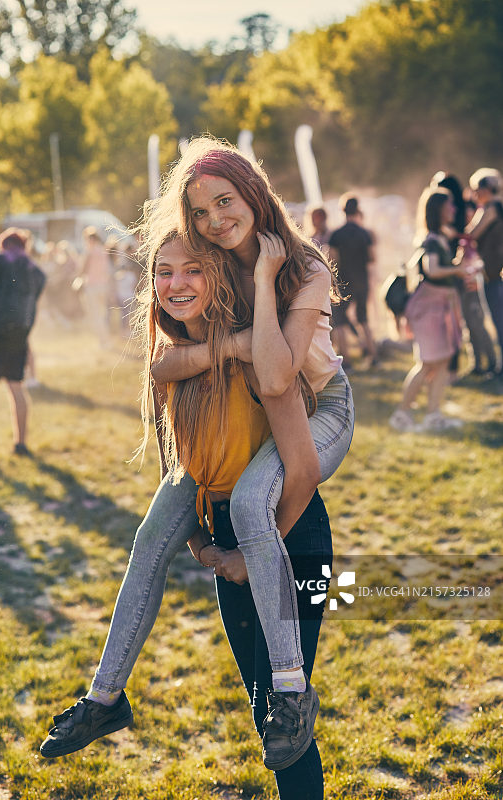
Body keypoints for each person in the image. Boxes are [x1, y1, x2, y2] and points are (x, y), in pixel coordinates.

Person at [40, 137, 354, 774]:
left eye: (225, 201)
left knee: (247, 502)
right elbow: (174, 373)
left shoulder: (299, 266)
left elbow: (277, 377)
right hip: (247, 415)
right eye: (200, 211)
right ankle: (104, 697)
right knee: (150, 535)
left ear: (254, 194)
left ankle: (294, 692)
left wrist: (257, 293)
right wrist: (184, 359)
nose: (215, 219)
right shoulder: (204, 266)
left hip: (314, 405)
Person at [389, 189, 469, 433]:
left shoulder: (441, 237)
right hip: (428, 309)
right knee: (427, 363)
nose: (454, 209)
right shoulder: (432, 239)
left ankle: (433, 414)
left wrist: (459, 265)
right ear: (438, 209)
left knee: (442, 362)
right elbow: (432, 270)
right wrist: (458, 269)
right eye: (450, 205)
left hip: (439, 307)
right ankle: (401, 414)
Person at [0, 228, 46, 463]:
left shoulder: (0, 260)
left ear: (4, 245)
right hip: (19, 337)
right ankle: (21, 444)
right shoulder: (36, 271)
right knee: (16, 387)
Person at [328, 194, 377, 368]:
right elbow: (372, 257)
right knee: (363, 318)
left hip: (343, 281)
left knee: (340, 320)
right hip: (361, 280)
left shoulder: (336, 235)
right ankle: (373, 355)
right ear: (357, 210)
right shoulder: (365, 233)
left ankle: (346, 360)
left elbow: (332, 260)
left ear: (343, 211)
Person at [465, 168, 503, 374]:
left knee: (499, 321)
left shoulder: (493, 208)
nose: (474, 194)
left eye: (476, 189)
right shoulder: (494, 206)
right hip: (493, 272)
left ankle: (500, 369)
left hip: (495, 274)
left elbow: (473, 233)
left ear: (487, 188)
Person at [81, 227, 112, 346]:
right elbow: (107, 269)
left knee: (95, 314)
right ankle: (105, 338)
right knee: (102, 313)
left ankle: (103, 340)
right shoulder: (103, 250)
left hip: (92, 285)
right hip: (103, 285)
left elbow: (83, 268)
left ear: (90, 239)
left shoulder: (89, 251)